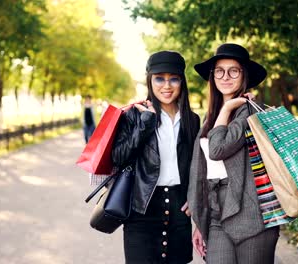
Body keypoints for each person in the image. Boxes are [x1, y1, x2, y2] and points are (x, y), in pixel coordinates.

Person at [188, 43, 279, 263]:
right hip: (217, 214)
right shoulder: (210, 117)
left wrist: (228, 108)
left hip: (252, 213)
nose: (225, 76)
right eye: (219, 70)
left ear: (244, 75)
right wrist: (201, 221)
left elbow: (218, 149)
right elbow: (204, 171)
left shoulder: (248, 112)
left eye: (233, 70)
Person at [112, 50, 200, 263]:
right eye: (159, 78)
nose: (166, 86)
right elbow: (118, 157)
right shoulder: (133, 115)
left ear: (182, 82)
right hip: (142, 210)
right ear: (150, 80)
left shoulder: (192, 120)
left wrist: (194, 196)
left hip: (180, 210)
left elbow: (199, 164)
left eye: (174, 79)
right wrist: (145, 124)